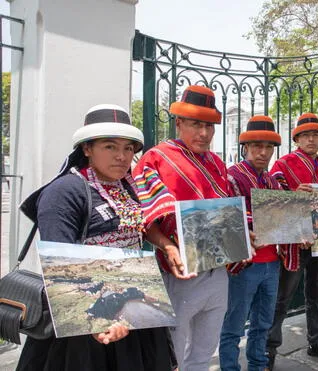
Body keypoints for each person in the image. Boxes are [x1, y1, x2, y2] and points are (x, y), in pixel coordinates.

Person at [17, 104, 174, 370]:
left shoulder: (127, 187)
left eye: (128, 148)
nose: (121, 156)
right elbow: (60, 263)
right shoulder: (64, 192)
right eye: (110, 147)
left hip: (133, 312)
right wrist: (97, 321)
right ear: (87, 149)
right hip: (86, 323)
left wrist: (165, 244)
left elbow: (139, 227)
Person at [133, 85, 233, 370]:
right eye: (195, 124)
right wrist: (167, 245)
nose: (203, 133)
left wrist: (242, 235)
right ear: (179, 122)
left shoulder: (217, 164)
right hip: (179, 273)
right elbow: (144, 218)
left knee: (204, 351)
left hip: (218, 270)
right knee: (171, 353)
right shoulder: (156, 159)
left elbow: (224, 217)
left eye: (209, 126)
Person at [266, 113, 318, 368]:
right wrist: (292, 195)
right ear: (297, 138)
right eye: (306, 135)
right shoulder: (283, 164)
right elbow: (272, 197)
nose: (312, 139)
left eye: (316, 135)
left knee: (316, 294)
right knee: (282, 297)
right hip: (293, 243)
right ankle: (269, 349)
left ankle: (316, 340)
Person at [219, 115, 282, 371]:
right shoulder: (232, 177)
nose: (263, 152)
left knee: (263, 323)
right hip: (245, 264)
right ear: (245, 147)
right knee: (233, 326)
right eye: (257, 146)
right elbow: (228, 217)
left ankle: (258, 365)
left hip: (272, 262)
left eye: (268, 147)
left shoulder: (272, 181)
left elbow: (283, 218)